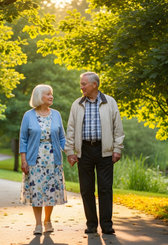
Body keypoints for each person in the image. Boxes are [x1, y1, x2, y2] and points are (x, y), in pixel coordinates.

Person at [65, 72, 124, 235]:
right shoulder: (77, 104)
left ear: (94, 85)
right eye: (81, 83)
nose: (81, 86)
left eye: (84, 83)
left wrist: (117, 149)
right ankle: (91, 224)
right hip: (84, 151)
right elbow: (70, 129)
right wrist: (70, 151)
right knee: (86, 189)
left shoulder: (110, 102)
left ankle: (106, 225)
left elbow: (117, 128)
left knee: (105, 189)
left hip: (104, 150)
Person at [19, 84, 67, 235]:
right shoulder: (28, 115)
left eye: (51, 94)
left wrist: (71, 152)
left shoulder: (57, 114)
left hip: (53, 159)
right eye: (48, 94)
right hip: (35, 160)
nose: (51, 96)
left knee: (50, 192)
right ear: (40, 96)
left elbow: (62, 138)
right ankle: (38, 224)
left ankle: (48, 220)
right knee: (37, 192)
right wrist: (24, 160)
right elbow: (23, 139)